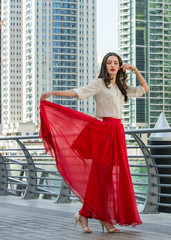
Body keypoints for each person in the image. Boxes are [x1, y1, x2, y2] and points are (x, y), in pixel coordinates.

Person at [39, 52, 149, 233]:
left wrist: (135, 69)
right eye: (109, 63)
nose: (112, 65)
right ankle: (93, 216)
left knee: (111, 177)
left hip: (117, 132)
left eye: (115, 63)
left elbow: (144, 88)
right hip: (104, 132)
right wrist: (53, 93)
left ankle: (93, 216)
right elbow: (78, 92)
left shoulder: (121, 87)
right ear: (104, 66)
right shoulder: (99, 83)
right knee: (100, 176)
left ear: (120, 66)